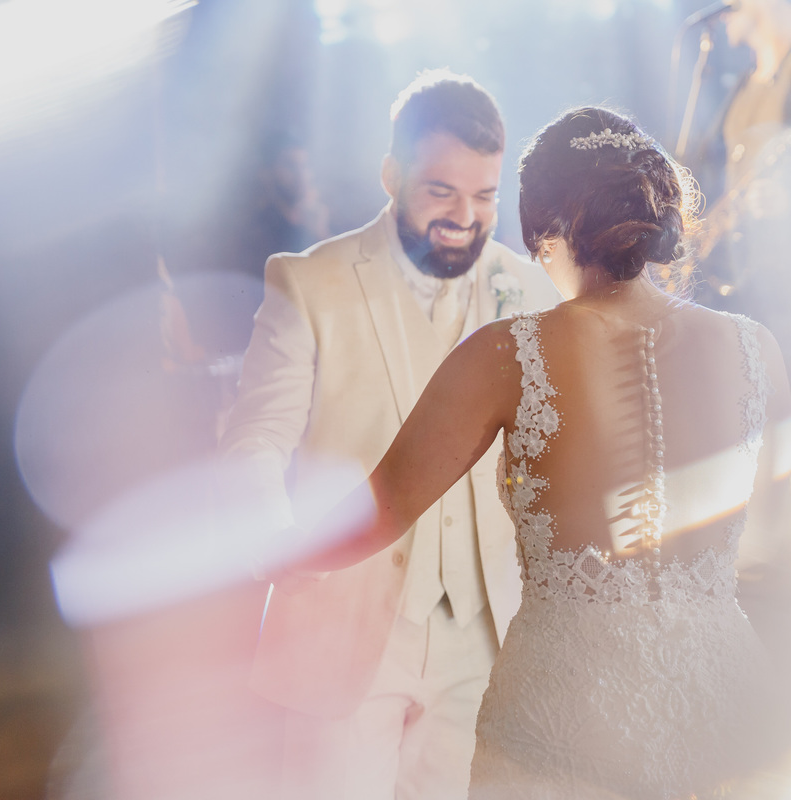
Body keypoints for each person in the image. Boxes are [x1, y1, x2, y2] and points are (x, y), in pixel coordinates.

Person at [279, 107, 791, 799]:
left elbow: (377, 511)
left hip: (566, 719)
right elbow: (783, 542)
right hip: (727, 705)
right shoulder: (754, 348)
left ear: (544, 228)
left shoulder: (506, 354)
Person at [220, 70, 558, 800]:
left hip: (486, 627)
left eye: (485, 196)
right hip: (341, 616)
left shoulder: (530, 291)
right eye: (442, 191)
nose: (465, 217)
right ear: (391, 174)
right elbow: (255, 437)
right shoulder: (308, 282)